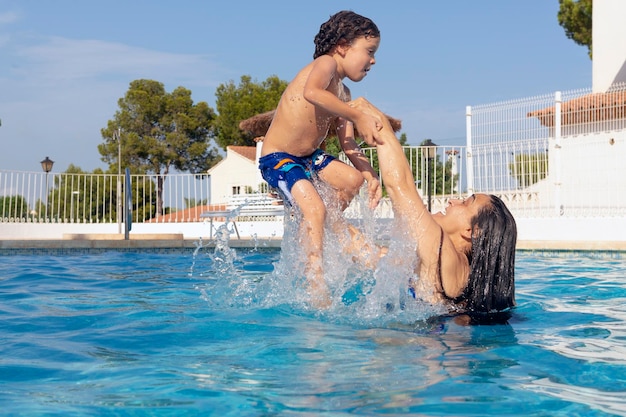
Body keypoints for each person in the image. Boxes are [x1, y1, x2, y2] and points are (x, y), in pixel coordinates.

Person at [259, 11, 384, 306]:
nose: (373, 60)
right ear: (342, 46)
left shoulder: (344, 91)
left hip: (308, 157)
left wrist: (368, 172)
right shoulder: (325, 64)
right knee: (315, 208)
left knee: (350, 180)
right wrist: (356, 113)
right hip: (278, 157)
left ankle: (326, 226)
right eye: (369, 51)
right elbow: (312, 92)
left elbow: (347, 141)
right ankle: (315, 284)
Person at [349, 97, 517, 315]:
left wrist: (377, 122)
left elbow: (401, 186)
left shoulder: (447, 256)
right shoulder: (446, 267)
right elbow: (369, 255)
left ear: (472, 231)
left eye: (465, 203)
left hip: (421, 344)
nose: (452, 201)